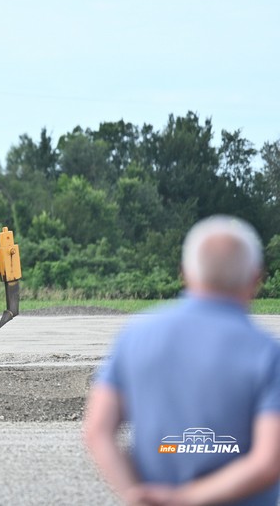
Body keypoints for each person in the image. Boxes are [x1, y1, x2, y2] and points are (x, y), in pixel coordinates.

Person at [84, 215, 280, 505]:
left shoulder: (134, 336)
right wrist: (186, 498)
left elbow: (97, 430)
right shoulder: (266, 354)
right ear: (255, 279)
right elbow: (268, 461)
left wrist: (136, 495)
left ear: (186, 273)